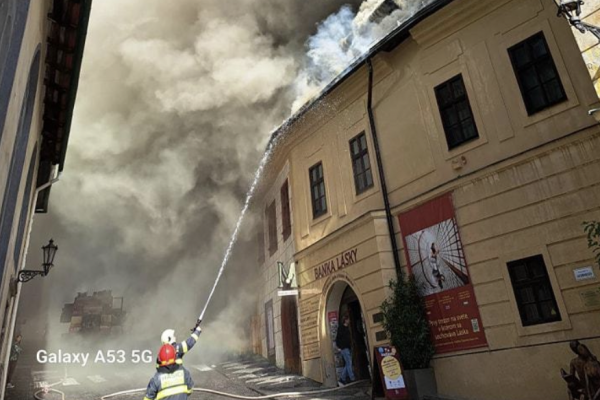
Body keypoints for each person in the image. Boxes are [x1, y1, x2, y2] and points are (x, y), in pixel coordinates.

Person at [334, 315, 355, 386]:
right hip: (344, 348)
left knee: (348, 363)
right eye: (348, 319)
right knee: (349, 362)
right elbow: (338, 338)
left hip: (348, 348)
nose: (349, 321)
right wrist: (339, 347)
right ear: (345, 320)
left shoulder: (347, 328)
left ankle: (342, 379)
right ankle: (352, 378)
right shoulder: (341, 328)